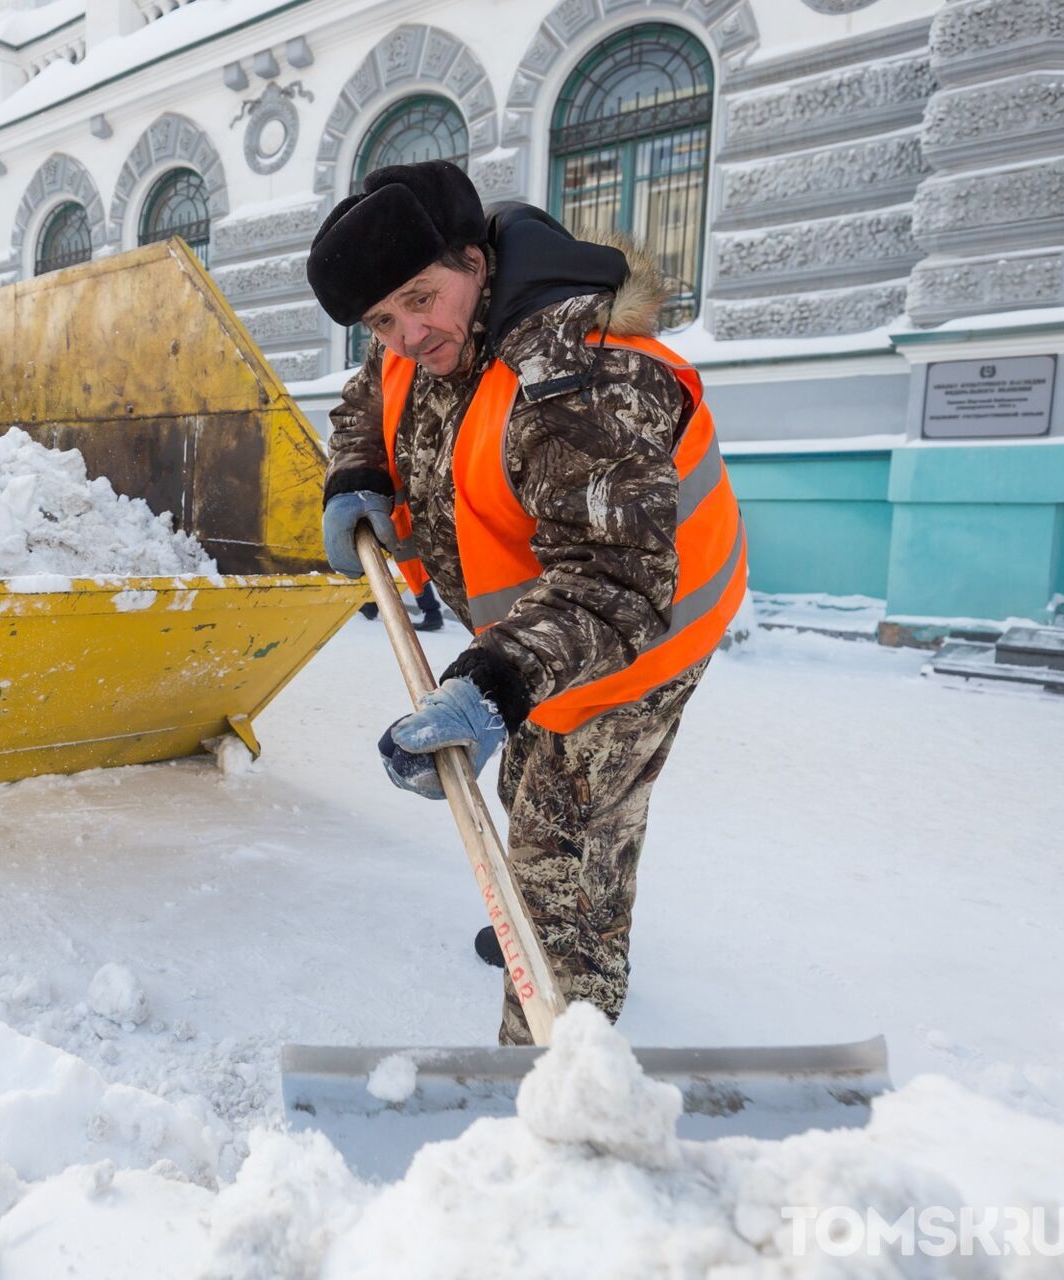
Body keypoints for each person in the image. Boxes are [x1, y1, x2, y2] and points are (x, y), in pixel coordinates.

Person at [308, 161, 745, 1046]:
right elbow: (369, 395)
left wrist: (492, 684)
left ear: (475, 259)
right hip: (542, 633)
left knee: (565, 837)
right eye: (382, 319)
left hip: (637, 638)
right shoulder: (430, 329)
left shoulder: (586, 380)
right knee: (538, 794)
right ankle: (551, 916)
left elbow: (613, 577)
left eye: (420, 301)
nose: (406, 334)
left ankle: (553, 1061)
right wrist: (358, 473)